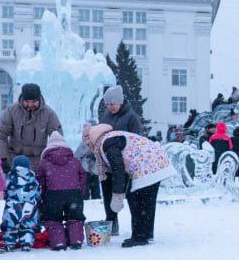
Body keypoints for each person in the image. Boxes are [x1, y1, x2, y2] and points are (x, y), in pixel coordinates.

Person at [85, 123, 175, 247]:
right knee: (148, 202)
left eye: (88, 143)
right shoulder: (112, 136)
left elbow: (118, 169)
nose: (88, 147)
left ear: (93, 138)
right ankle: (147, 233)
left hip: (145, 166)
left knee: (136, 200)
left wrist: (117, 194)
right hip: (157, 162)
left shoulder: (107, 143)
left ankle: (139, 237)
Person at [97, 85, 144, 234]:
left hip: (126, 164)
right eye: (107, 104)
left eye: (112, 104)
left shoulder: (131, 117)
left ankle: (136, 226)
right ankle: (112, 222)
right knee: (108, 193)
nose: (110, 107)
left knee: (129, 196)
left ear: (120, 101)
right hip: (108, 163)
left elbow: (136, 139)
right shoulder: (105, 116)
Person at [37, 132, 88, 250]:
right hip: (74, 193)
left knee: (53, 219)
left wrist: (44, 194)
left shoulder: (44, 162)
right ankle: (76, 241)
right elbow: (83, 176)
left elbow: (40, 180)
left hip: (53, 194)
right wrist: (81, 191)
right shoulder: (75, 161)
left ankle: (58, 243)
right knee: (75, 217)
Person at [0, 83, 63, 172]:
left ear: (39, 99)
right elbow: (1, 136)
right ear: (23, 99)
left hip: (39, 162)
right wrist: (3, 158)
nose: (30, 105)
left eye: (33, 102)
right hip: (15, 161)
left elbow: (57, 138)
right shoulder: (11, 111)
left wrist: (54, 159)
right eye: (27, 101)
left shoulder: (48, 113)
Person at [1, 156, 41, 251]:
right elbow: (37, 192)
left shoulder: (10, 176)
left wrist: (7, 196)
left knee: (10, 226)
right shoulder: (32, 177)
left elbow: (4, 190)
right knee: (27, 226)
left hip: (12, 206)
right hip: (29, 207)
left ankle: (9, 243)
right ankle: (26, 243)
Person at [75, 125, 102, 201]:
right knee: (92, 188)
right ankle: (92, 199)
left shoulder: (86, 144)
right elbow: (77, 156)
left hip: (88, 169)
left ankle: (88, 199)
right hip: (91, 169)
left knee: (87, 188)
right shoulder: (94, 143)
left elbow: (76, 156)